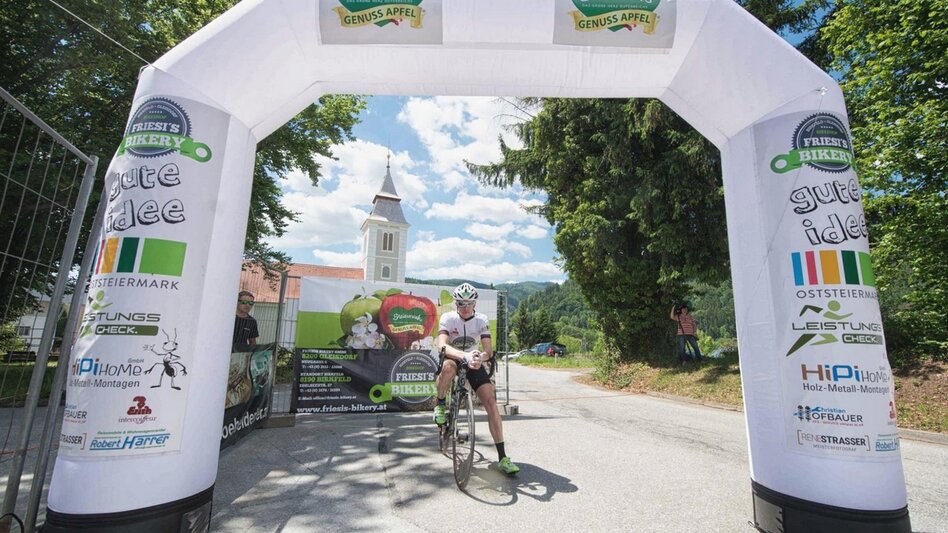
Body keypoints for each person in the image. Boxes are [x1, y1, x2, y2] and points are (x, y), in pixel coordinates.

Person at [433, 283, 520, 475]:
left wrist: (480, 357)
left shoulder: (481, 319)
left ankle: (503, 457)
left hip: (473, 361)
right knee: (447, 368)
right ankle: (440, 404)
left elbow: (488, 351)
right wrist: (463, 356)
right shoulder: (448, 318)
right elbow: (442, 345)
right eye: (461, 303)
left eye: (469, 303)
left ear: (475, 303)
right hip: (454, 357)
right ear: (455, 303)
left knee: (490, 402)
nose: (465, 307)